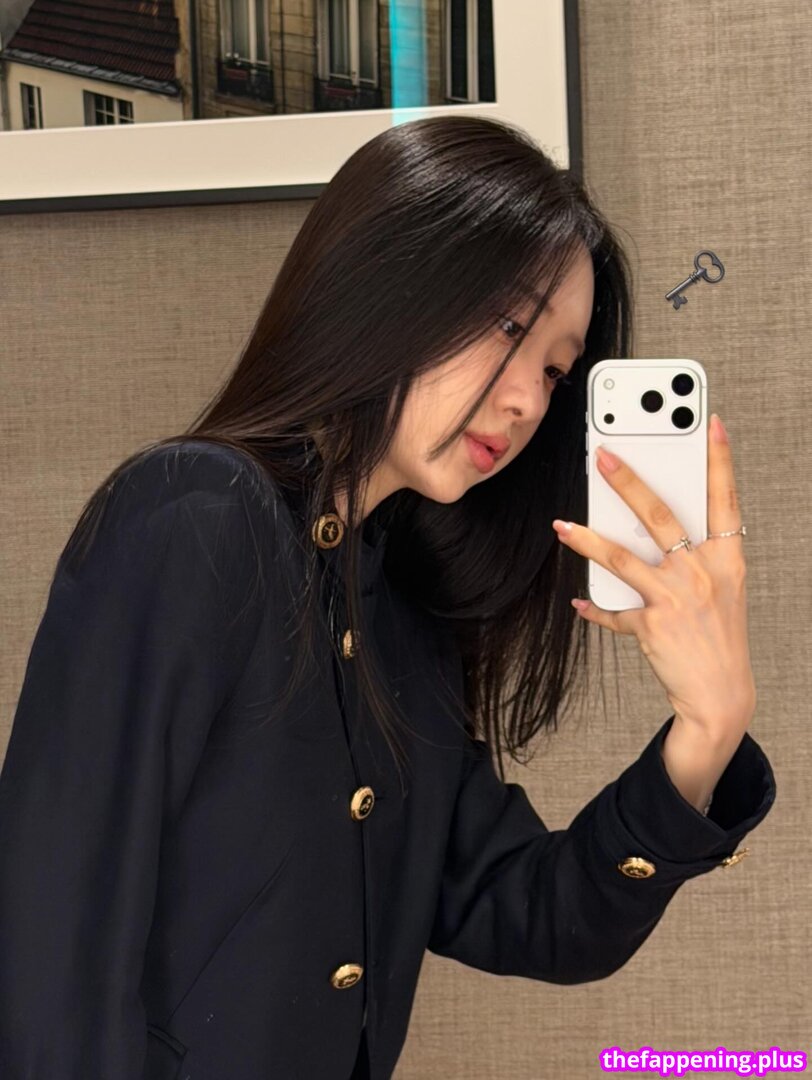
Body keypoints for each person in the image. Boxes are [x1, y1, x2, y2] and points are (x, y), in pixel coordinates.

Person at [0, 115, 775, 1080]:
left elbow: (537, 915)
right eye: (508, 326)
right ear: (388, 276)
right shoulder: (196, 517)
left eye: (554, 369)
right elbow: (53, 953)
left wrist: (708, 727)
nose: (529, 400)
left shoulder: (404, 609)